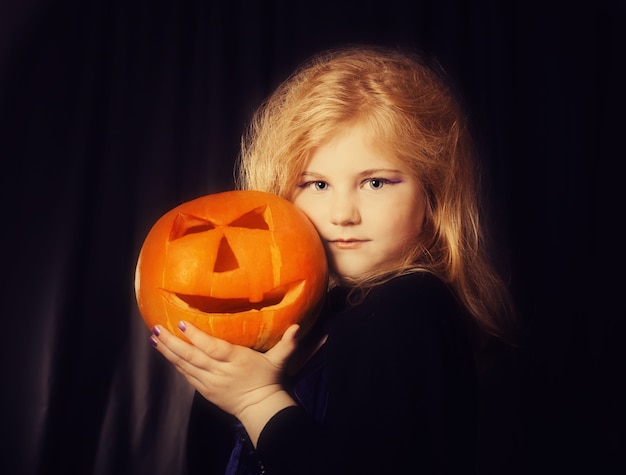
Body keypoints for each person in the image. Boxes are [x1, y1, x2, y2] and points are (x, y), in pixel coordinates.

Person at [149, 45, 517, 474]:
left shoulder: (411, 305)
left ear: (432, 195)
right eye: (317, 185)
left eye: (376, 182)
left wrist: (256, 400)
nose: (344, 214)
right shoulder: (298, 318)